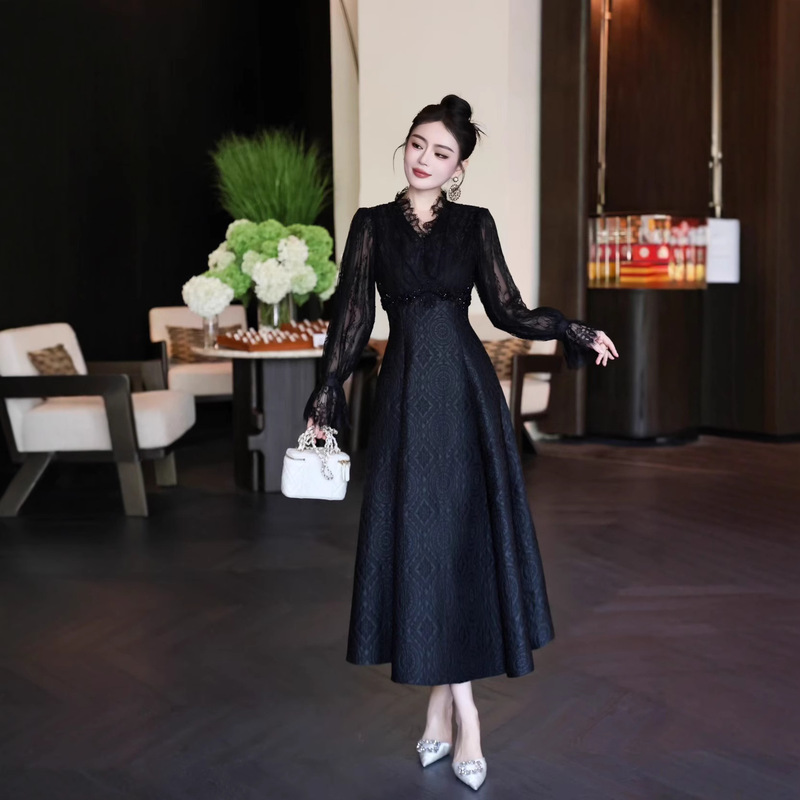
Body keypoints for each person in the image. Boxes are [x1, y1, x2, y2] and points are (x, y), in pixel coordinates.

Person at [304, 94, 618, 791]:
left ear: (459, 167)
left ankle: (457, 713)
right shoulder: (371, 225)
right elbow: (352, 316)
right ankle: (453, 709)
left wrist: (570, 328)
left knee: (460, 545)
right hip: (404, 398)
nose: (424, 159)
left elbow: (507, 309)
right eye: (417, 144)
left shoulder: (474, 225)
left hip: (467, 398)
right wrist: (328, 390)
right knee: (423, 546)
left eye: (441, 152)